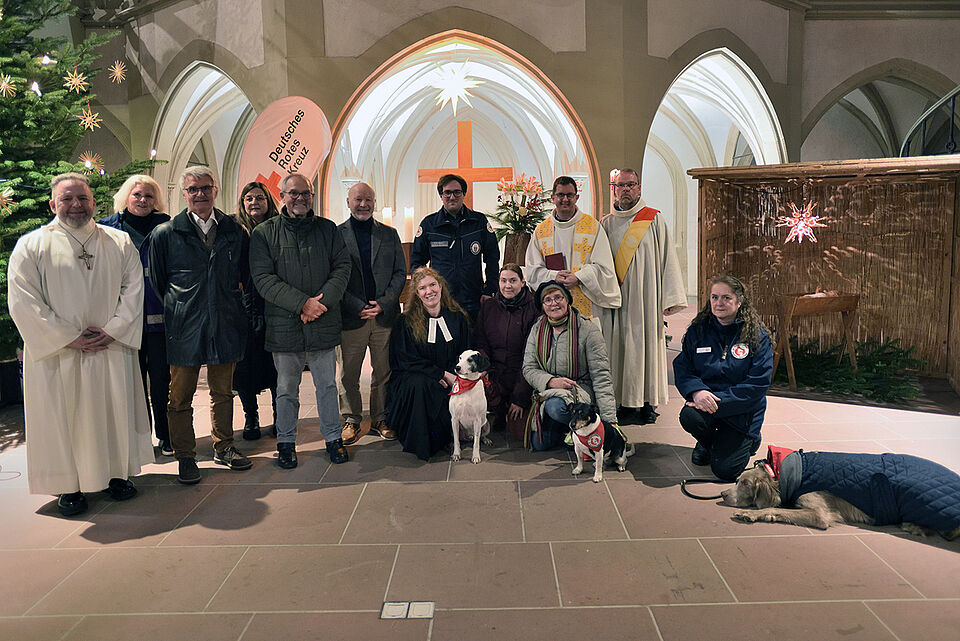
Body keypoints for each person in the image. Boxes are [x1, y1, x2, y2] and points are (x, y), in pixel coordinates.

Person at [8, 172, 154, 516]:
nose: (76, 206)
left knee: (113, 409)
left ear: (93, 202)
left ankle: (118, 475)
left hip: (110, 346)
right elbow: (23, 300)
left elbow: (134, 290)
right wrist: (67, 336)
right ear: (52, 204)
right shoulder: (32, 245)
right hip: (59, 353)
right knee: (64, 417)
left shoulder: (118, 242)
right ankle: (69, 486)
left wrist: (115, 329)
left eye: (83, 199)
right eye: (67, 199)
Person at [149, 166, 252, 484]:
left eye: (205, 188)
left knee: (223, 391)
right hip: (185, 324)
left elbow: (244, 275)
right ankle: (186, 456)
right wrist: (183, 305)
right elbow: (158, 280)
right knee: (179, 396)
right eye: (193, 189)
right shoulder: (166, 234)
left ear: (215, 190)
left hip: (224, 320)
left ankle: (224, 446)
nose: (200, 194)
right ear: (184, 194)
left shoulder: (234, 230)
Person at [249, 173, 352, 469]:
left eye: (305, 193)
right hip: (285, 323)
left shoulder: (327, 229)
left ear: (312, 196)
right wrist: (302, 304)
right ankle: (286, 442)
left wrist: (320, 304)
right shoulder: (265, 233)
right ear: (282, 196)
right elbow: (263, 278)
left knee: (327, 386)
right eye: (293, 193)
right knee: (286, 389)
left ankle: (334, 438)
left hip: (322, 320)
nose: (300, 198)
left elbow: (342, 267)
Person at [601, 168, 687, 426]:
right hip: (615, 301)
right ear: (614, 189)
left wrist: (669, 297)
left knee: (645, 350)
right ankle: (621, 402)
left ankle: (647, 402)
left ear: (639, 188)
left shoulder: (653, 220)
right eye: (620, 185)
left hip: (646, 300)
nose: (625, 189)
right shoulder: (605, 224)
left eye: (630, 185)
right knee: (619, 350)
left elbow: (667, 259)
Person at [673, 275, 773, 481]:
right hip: (706, 403)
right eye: (714, 297)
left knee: (725, 471)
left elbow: (757, 384)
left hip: (742, 412)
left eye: (726, 298)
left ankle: (750, 439)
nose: (719, 303)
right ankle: (709, 442)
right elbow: (683, 366)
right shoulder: (698, 331)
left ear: (739, 301)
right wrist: (697, 391)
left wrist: (716, 402)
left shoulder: (756, 336)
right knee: (689, 417)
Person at [99, 174, 172, 456]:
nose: (143, 200)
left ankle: (166, 437)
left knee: (162, 382)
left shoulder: (166, 225)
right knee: (131, 384)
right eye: (137, 195)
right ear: (126, 196)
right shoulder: (106, 228)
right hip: (122, 319)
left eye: (148, 196)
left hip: (159, 316)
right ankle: (139, 442)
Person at [337, 182, 406, 443]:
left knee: (383, 371)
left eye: (368, 199)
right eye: (358, 199)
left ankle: (381, 418)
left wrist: (384, 303)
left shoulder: (389, 234)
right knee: (348, 374)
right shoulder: (335, 234)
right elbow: (333, 276)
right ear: (348, 202)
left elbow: (400, 272)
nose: (363, 204)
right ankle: (351, 419)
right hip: (351, 315)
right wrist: (357, 305)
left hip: (384, 315)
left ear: (375, 202)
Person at [521, 281, 618, 450]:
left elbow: (601, 376)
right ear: (542, 306)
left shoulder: (587, 330)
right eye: (548, 300)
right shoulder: (538, 329)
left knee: (555, 407)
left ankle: (581, 429)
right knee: (539, 445)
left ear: (567, 300)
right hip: (549, 390)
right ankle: (567, 430)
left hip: (580, 390)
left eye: (558, 297)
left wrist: (610, 423)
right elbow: (529, 368)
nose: (554, 303)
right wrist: (551, 381)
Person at [386, 267, 470, 460]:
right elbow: (404, 359)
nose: (429, 291)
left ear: (441, 286)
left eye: (432, 285)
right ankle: (421, 443)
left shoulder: (457, 317)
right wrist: (438, 374)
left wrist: (449, 374)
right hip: (414, 378)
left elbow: (464, 352)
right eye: (423, 288)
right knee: (421, 385)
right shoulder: (405, 321)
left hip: (451, 376)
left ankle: (445, 437)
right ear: (416, 293)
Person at [525, 176, 620, 322]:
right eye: (560, 195)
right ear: (552, 198)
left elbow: (604, 268)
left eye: (569, 195)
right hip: (553, 304)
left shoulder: (593, 227)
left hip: (586, 304)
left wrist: (579, 277)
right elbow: (532, 270)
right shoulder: (541, 230)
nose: (565, 199)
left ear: (576, 197)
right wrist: (553, 276)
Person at [410, 173, 500, 319]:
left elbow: (492, 257)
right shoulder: (429, 224)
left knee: (474, 341)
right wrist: (425, 292)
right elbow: (417, 262)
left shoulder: (479, 222)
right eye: (447, 192)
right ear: (441, 195)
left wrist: (490, 290)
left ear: (463, 194)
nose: (452, 196)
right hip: (441, 301)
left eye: (457, 192)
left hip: (474, 298)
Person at [232, 181, 280, 440]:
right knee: (244, 368)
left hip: (273, 305)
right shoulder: (233, 229)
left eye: (259, 198)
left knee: (275, 366)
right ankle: (251, 417)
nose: (254, 203)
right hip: (243, 307)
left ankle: (279, 416)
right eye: (249, 198)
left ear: (268, 201)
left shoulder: (278, 227)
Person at [474, 263, 540, 442]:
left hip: (521, 376)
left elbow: (531, 357)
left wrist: (520, 398)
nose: (507, 286)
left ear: (523, 283)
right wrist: (484, 368)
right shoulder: (489, 307)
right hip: (496, 373)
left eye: (513, 281)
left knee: (520, 435)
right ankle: (498, 408)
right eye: (503, 281)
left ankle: (514, 406)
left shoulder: (533, 309)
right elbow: (482, 342)